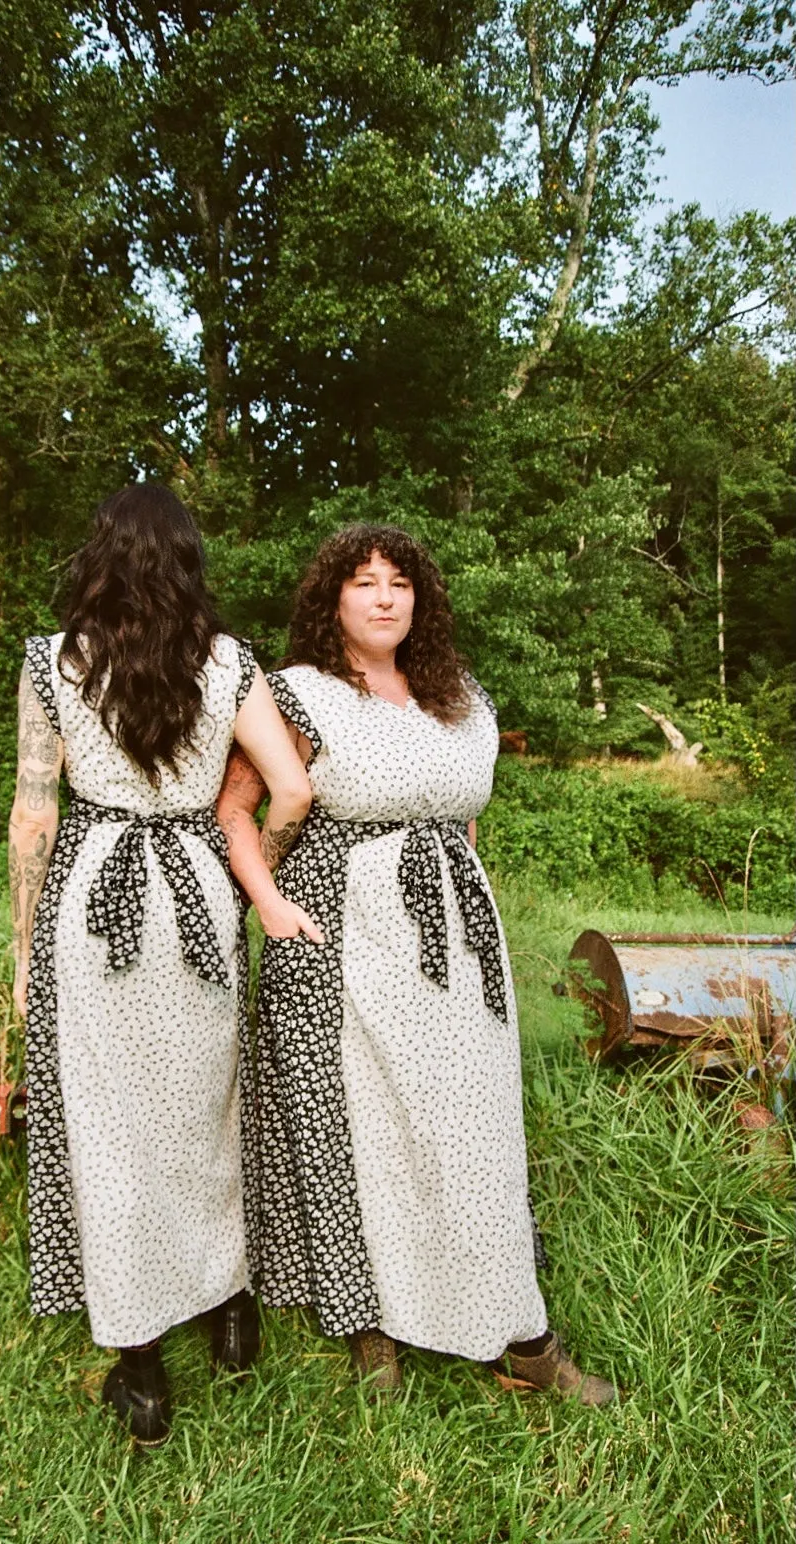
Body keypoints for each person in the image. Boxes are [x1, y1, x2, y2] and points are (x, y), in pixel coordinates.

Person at [217, 524, 616, 1405]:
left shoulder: (460, 696)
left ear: (420, 600)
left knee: (472, 1127)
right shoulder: (297, 694)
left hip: (453, 944)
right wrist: (268, 903)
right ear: (332, 600)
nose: (385, 597)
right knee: (350, 1129)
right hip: (336, 936)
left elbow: (464, 821)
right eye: (363, 583)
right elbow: (236, 810)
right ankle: (373, 1331)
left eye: (399, 582)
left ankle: (521, 1334)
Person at [8, 483, 321, 1447]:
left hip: (93, 895)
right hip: (192, 888)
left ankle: (140, 1368)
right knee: (204, 1103)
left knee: (106, 1124)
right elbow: (294, 785)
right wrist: (255, 868)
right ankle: (230, 1314)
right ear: (188, 559)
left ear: (96, 555)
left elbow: (34, 814)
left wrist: (23, 951)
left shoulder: (52, 661)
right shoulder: (227, 661)